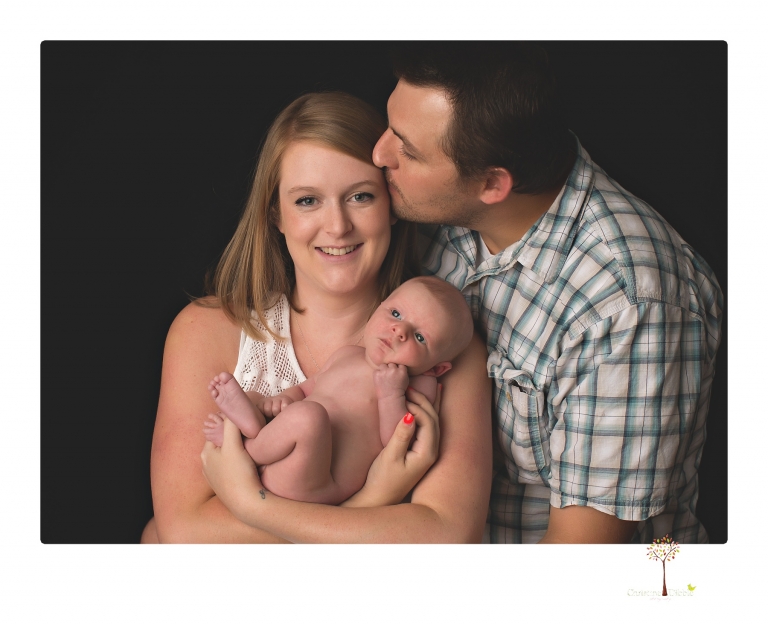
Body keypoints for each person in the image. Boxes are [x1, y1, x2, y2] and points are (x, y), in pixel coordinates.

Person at [369, 42, 723, 543]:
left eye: (407, 149)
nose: (379, 153)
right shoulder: (431, 207)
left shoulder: (628, 304)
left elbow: (578, 564)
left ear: (492, 184)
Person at [142, 90, 492, 543]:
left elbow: (444, 536)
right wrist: (372, 502)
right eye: (307, 201)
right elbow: (186, 531)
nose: (338, 226)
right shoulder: (205, 329)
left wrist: (250, 504)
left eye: (361, 196)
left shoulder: (446, 348)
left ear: (393, 206)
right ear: (276, 214)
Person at [203, 276, 474, 505]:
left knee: (309, 417)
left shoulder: (417, 387)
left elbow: (396, 445)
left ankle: (242, 448)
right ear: (378, 309)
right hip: (286, 452)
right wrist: (283, 399)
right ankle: (252, 427)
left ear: (436, 368)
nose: (399, 330)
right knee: (256, 397)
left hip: (315, 481)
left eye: (419, 337)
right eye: (395, 314)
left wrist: (392, 395)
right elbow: (308, 388)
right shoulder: (347, 354)